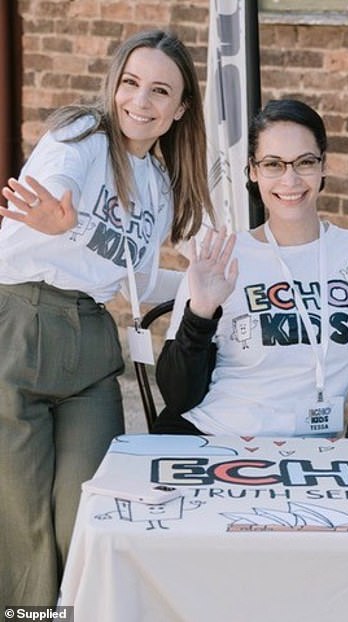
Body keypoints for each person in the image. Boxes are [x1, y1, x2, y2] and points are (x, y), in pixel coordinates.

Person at [0, 30, 211, 607]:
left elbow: (134, 280)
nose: (140, 102)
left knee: (88, 511)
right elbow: (58, 186)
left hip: (91, 340)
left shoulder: (159, 183)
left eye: (159, 91)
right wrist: (58, 214)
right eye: (131, 83)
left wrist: (213, 284)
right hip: (19, 323)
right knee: (22, 525)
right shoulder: (80, 135)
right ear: (115, 85)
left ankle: (78, 614)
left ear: (179, 108)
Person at [152, 98, 348, 438]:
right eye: (273, 164)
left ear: (324, 165)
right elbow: (178, 396)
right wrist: (201, 313)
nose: (290, 179)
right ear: (253, 171)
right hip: (213, 438)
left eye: (305, 162)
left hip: (310, 459)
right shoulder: (221, 257)